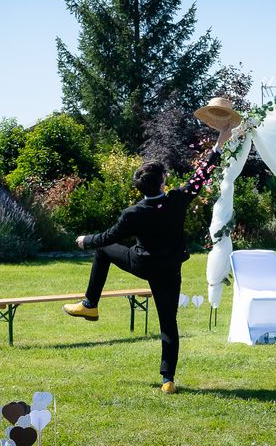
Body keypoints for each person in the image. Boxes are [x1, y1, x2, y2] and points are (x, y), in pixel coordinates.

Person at [63, 100, 239, 394]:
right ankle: (167, 380)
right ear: (162, 182)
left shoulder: (134, 213)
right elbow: (201, 176)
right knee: (168, 323)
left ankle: (90, 305)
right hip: (168, 270)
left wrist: (84, 241)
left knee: (103, 251)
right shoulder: (177, 199)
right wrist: (219, 143)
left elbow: (106, 238)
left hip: (142, 264)